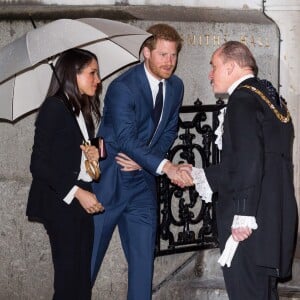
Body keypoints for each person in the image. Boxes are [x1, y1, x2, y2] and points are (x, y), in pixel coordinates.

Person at [180, 41, 298, 299]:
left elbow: (249, 162)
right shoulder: (269, 98)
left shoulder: (242, 99)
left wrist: (243, 215)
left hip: (249, 224)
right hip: (270, 220)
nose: (210, 74)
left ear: (231, 66)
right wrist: (201, 176)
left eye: (214, 66)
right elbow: (256, 163)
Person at [91, 23, 188, 299]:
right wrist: (164, 166)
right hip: (109, 183)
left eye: (173, 55)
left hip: (142, 185)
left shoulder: (176, 86)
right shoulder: (123, 87)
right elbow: (124, 138)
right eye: (162, 55)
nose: (169, 62)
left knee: (143, 265)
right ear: (146, 52)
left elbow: (169, 129)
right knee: (89, 261)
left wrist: (147, 162)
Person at [26, 48, 104, 300]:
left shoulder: (81, 110)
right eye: (92, 73)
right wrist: (77, 192)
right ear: (73, 74)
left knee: (81, 282)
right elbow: (38, 164)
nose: (98, 79)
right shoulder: (54, 108)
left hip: (80, 202)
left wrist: (92, 160)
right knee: (68, 284)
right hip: (60, 204)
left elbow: (72, 161)